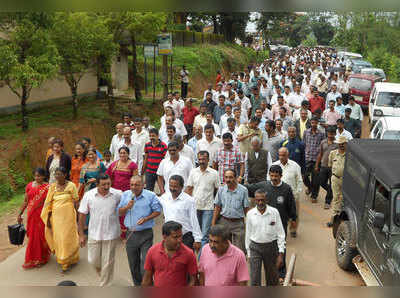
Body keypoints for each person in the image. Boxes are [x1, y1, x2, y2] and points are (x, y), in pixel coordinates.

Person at [245, 165, 297, 281]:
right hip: (260, 220)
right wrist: (238, 185)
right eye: (271, 175)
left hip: (280, 222)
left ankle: (281, 272)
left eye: (276, 176)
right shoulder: (264, 185)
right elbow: (250, 188)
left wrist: (293, 218)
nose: (273, 178)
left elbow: (291, 204)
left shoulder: (286, 189)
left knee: (280, 245)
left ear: (281, 176)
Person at [78, 174, 122, 286]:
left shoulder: (117, 194)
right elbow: (82, 215)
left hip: (111, 234)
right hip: (94, 233)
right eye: (103, 185)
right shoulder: (89, 195)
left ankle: (105, 286)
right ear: (97, 184)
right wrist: (81, 235)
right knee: (93, 261)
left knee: (107, 263)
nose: (107, 187)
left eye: (108, 184)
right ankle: (105, 276)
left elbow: (127, 206)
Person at [118, 176, 161, 286]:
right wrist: (127, 207)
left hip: (145, 234)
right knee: (133, 264)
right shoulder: (126, 195)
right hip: (130, 234)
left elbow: (157, 211)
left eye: (137, 185)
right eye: (132, 184)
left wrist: (146, 218)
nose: (134, 187)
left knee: (146, 265)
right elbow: (120, 213)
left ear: (143, 185)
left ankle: (148, 286)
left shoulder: (150, 196)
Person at [40, 167, 80, 272]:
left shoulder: (71, 186)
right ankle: (63, 260)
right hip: (56, 218)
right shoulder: (52, 187)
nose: (57, 176)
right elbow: (48, 204)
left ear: (65, 175)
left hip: (69, 217)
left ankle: (72, 257)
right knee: (60, 237)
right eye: (56, 174)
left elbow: (76, 201)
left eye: (59, 174)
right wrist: (48, 219)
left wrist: (78, 217)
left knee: (68, 236)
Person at [246, 189, 285, 286]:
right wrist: (249, 253)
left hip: (271, 247)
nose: (260, 202)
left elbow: (281, 234)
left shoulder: (274, 212)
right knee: (254, 278)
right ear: (255, 200)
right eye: (258, 200)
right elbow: (248, 234)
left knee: (272, 278)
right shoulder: (250, 214)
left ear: (266, 200)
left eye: (262, 200)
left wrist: (281, 253)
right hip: (255, 248)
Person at [142, 221, 198, 287]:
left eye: (180, 236)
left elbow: (193, 280)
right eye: (175, 237)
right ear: (165, 237)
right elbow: (147, 280)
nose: (179, 240)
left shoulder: (189, 254)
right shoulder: (152, 252)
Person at [158, 175, 202, 251]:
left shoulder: (189, 200)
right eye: (170, 186)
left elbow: (194, 220)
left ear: (182, 187)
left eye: (175, 186)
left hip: (185, 237)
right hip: (169, 238)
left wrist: (197, 239)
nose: (172, 189)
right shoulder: (164, 198)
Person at [18, 168, 50, 269]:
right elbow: (25, 201)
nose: (37, 178)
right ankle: (33, 258)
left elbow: (49, 203)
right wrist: (20, 214)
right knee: (33, 237)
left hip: (41, 214)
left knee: (41, 236)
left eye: (39, 176)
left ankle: (41, 258)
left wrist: (49, 216)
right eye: (35, 176)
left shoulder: (47, 187)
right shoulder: (29, 186)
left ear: (44, 176)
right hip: (31, 214)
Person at [185, 151, 220, 247]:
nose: (201, 161)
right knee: (196, 234)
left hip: (208, 208)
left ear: (208, 160)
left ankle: (202, 260)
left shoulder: (214, 173)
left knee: (205, 235)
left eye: (204, 159)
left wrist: (216, 205)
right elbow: (189, 188)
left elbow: (218, 190)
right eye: (200, 159)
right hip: (195, 207)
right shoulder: (193, 172)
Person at [211, 169, 250, 254]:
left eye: (231, 177)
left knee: (240, 251)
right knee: (223, 249)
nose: (228, 180)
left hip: (238, 223)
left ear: (236, 178)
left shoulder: (243, 190)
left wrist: (250, 225)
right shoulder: (221, 190)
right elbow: (217, 207)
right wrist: (213, 224)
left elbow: (246, 208)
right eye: (226, 177)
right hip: (224, 222)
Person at [106, 146, 139, 239]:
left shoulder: (133, 165)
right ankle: (118, 232)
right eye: (121, 153)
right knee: (116, 210)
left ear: (128, 154)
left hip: (128, 192)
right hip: (115, 192)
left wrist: (134, 192)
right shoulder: (114, 164)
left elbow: (136, 179)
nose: (122, 155)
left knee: (127, 210)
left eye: (124, 153)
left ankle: (126, 234)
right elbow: (107, 176)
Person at [270, 148, 302, 238]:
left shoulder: (295, 166)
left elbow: (299, 180)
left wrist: (296, 193)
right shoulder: (274, 165)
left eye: (283, 155)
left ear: (288, 155)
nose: (281, 157)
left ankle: (293, 229)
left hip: (292, 195)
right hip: (277, 194)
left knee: (294, 213)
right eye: (280, 155)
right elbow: (269, 179)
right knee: (278, 214)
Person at [315, 127, 338, 210]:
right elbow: (320, 154)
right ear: (327, 133)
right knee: (321, 182)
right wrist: (317, 165)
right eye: (329, 133)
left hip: (333, 167)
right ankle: (331, 191)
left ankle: (327, 202)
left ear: (335, 134)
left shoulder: (338, 144)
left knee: (332, 183)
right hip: (323, 166)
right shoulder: (323, 142)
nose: (330, 135)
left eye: (332, 133)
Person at [303, 117, 325, 203]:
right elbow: (304, 143)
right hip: (307, 158)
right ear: (310, 123)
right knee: (304, 177)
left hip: (317, 159)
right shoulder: (306, 132)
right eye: (312, 123)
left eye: (315, 123)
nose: (314, 124)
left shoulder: (321, 134)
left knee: (316, 179)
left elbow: (323, 147)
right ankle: (310, 187)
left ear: (317, 123)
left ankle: (314, 195)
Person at [327, 136, 347, 227]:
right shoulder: (333, 153)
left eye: (343, 144)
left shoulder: (349, 155)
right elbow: (330, 165)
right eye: (340, 144)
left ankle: (342, 217)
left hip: (346, 180)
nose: (341, 145)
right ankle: (334, 218)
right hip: (335, 178)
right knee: (335, 197)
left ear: (346, 144)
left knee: (343, 198)